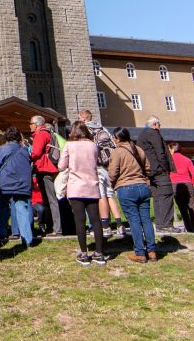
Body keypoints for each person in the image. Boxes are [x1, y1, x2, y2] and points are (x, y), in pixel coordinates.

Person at [59, 121, 107, 266]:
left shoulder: (69, 145)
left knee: (79, 221)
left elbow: (61, 166)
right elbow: (98, 161)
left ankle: (84, 254)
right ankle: (99, 253)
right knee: (95, 220)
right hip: (92, 185)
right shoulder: (93, 145)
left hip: (76, 187)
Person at [109, 128, 157, 263]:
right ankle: (152, 251)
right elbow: (148, 168)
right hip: (142, 186)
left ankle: (140, 252)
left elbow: (113, 173)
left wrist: (112, 185)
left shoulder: (117, 151)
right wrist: (145, 181)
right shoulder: (138, 149)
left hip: (126, 188)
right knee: (146, 220)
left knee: (134, 221)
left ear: (117, 139)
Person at [80, 109, 124, 237]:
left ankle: (105, 226)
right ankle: (120, 224)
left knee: (102, 195)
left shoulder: (86, 129)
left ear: (83, 118)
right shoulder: (102, 128)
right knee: (110, 195)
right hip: (108, 165)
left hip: (97, 165)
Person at [0, 127, 35, 247]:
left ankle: (1, 232)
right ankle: (27, 239)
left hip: (5, 183)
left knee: (3, 207)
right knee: (22, 209)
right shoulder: (24, 150)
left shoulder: (2, 149)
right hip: (22, 184)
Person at [137, 116, 177, 233]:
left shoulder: (142, 135)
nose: (160, 127)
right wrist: (165, 168)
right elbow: (160, 152)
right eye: (159, 124)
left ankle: (160, 224)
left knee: (158, 197)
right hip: (159, 170)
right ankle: (166, 224)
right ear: (155, 124)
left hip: (150, 171)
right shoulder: (153, 133)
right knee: (166, 195)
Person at [29, 115, 62, 236]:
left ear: (36, 124)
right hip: (49, 168)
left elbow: (36, 153)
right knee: (49, 200)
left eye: (31, 123)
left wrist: (27, 157)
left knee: (50, 200)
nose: (30, 125)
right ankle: (51, 227)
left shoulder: (41, 134)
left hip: (44, 168)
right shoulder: (48, 132)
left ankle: (57, 228)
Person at [169, 142, 194, 233]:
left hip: (175, 185)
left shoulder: (169, 161)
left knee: (183, 210)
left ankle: (190, 230)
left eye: (169, 149)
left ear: (172, 149)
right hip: (188, 184)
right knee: (192, 208)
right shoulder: (187, 159)